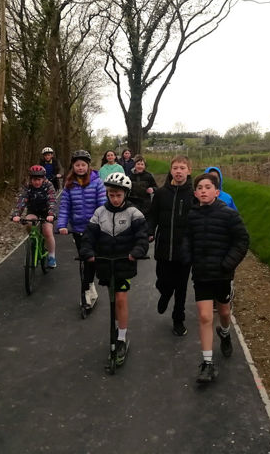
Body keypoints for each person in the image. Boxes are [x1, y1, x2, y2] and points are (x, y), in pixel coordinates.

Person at [184, 172, 249, 383]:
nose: (203, 190)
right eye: (200, 188)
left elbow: (242, 240)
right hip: (201, 274)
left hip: (222, 274)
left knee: (223, 310)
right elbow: (186, 239)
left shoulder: (228, 215)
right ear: (195, 193)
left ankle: (225, 332)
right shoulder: (191, 215)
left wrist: (228, 264)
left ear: (217, 192)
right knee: (204, 316)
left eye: (208, 187)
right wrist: (187, 257)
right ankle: (208, 363)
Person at [81, 172, 148, 365]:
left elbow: (142, 237)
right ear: (107, 194)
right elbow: (89, 236)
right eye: (111, 195)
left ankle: (121, 337)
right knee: (111, 298)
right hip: (104, 263)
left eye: (119, 195)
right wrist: (87, 251)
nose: (115, 198)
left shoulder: (134, 213)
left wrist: (136, 251)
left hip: (123, 263)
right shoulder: (99, 212)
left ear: (125, 194)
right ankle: (117, 331)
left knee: (120, 298)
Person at [148, 155, 194, 337]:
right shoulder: (160, 194)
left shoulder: (193, 195)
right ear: (171, 170)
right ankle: (165, 293)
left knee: (181, 287)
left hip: (184, 250)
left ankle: (178, 319)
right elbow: (152, 216)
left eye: (182, 167)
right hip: (163, 247)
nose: (178, 171)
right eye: (175, 167)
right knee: (163, 280)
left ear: (189, 171)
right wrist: (150, 231)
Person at [58, 150, 107, 309]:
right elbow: (65, 207)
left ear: (88, 166)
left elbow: (102, 204)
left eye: (83, 165)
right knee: (85, 260)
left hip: (94, 229)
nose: (80, 168)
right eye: (77, 165)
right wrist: (62, 225)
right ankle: (89, 287)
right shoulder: (69, 184)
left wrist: (100, 224)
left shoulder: (97, 182)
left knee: (90, 260)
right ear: (73, 166)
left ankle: (87, 288)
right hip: (78, 228)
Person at [10, 165, 58, 268]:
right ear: (30, 179)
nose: (36, 182)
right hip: (33, 210)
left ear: (43, 178)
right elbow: (22, 200)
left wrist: (51, 214)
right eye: (34, 179)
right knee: (28, 223)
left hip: (46, 212)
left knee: (48, 231)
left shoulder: (48, 185)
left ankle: (51, 255)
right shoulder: (27, 186)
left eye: (39, 179)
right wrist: (16, 214)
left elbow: (52, 200)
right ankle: (34, 240)